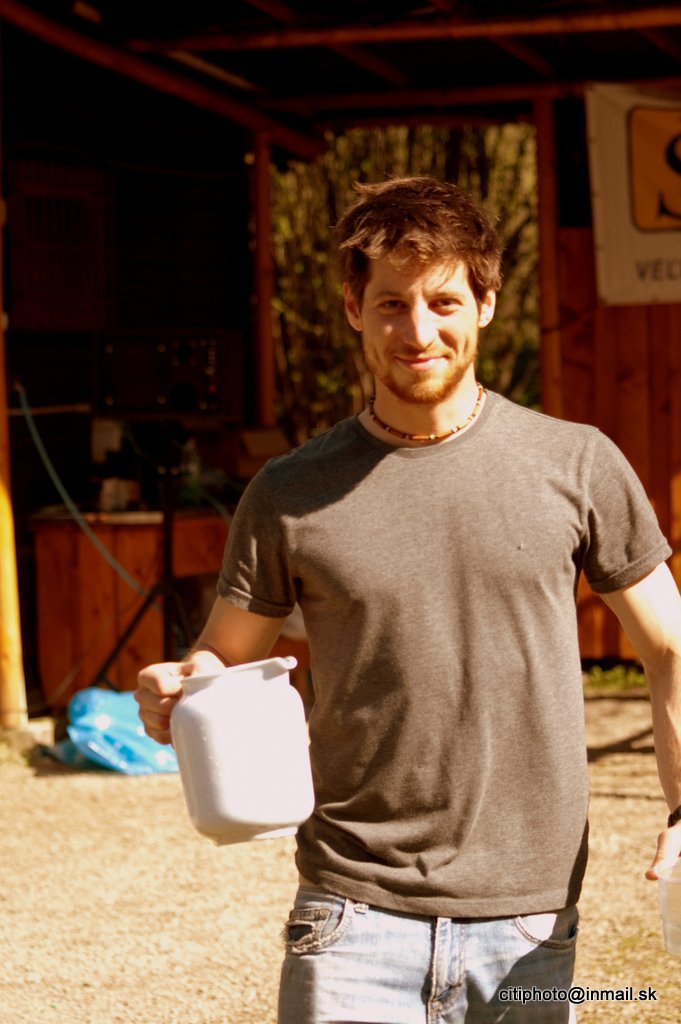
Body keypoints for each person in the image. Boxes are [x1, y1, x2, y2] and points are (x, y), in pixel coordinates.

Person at [136, 176, 681, 1024]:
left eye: (442, 301)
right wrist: (176, 685)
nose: (418, 331)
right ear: (353, 308)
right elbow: (224, 657)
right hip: (349, 913)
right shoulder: (288, 492)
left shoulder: (576, 464)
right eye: (391, 304)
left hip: (529, 919)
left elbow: (669, 646)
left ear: (486, 305)